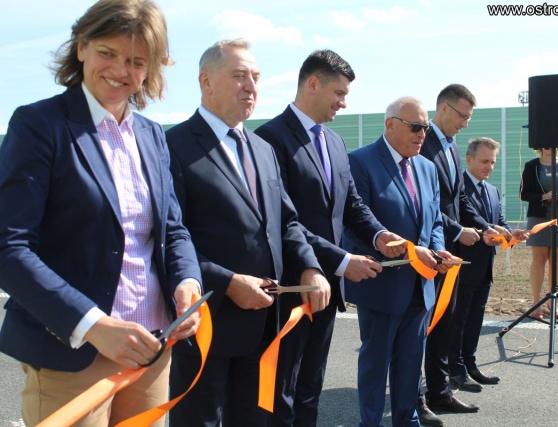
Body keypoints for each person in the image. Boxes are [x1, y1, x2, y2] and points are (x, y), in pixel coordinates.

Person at [0, 1, 203, 426]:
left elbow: (173, 230)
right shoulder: (39, 125)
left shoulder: (152, 135)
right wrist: (92, 324)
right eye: (107, 53)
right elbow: (9, 247)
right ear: (81, 48)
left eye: (137, 61)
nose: (120, 70)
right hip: (72, 352)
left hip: (151, 347)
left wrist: (187, 281)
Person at [166, 38, 331, 427]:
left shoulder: (262, 148)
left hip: (264, 325)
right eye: (240, 76)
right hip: (206, 324)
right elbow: (169, 236)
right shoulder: (172, 145)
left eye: (256, 77)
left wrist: (310, 267)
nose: (252, 87)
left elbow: (286, 222)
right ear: (206, 81)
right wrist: (226, 283)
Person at [254, 49, 405, 427]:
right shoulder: (269, 139)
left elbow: (351, 205)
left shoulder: (335, 143)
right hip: (290, 288)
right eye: (339, 93)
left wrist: (379, 235)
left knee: (310, 388)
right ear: (312, 84)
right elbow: (280, 219)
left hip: (328, 288)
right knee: (279, 393)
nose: (343, 102)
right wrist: (341, 260)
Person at [344, 96, 454, 427]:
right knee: (376, 364)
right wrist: (408, 251)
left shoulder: (427, 168)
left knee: (410, 363)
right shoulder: (360, 162)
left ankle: (407, 421)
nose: (423, 134)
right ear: (390, 125)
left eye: (426, 128)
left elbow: (434, 221)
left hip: (421, 284)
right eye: (416, 127)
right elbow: (356, 223)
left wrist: (437, 251)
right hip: (382, 284)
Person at [417, 84, 498, 420]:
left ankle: (439, 392)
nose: (465, 124)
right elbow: (426, 202)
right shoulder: (422, 143)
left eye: (469, 118)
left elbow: (458, 199)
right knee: (422, 326)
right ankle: (416, 397)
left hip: (448, 253)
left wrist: (484, 227)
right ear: (444, 109)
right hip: (428, 249)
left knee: (444, 323)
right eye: (462, 116)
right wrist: (455, 231)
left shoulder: (449, 146)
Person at [448, 137, 529, 392]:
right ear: (469, 159)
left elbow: (499, 221)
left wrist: (510, 234)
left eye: (493, 162)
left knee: (475, 320)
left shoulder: (492, 190)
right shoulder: (457, 187)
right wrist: (489, 230)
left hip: (484, 268)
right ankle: (455, 369)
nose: (489, 167)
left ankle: (470, 364)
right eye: (484, 161)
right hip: (462, 266)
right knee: (458, 321)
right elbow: (461, 220)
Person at [520, 147, 558, 320]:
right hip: (539, 216)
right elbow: (523, 193)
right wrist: (543, 196)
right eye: (544, 143)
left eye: (552, 144)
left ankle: (553, 301)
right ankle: (536, 302)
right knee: (539, 259)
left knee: (556, 260)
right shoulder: (532, 166)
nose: (548, 147)